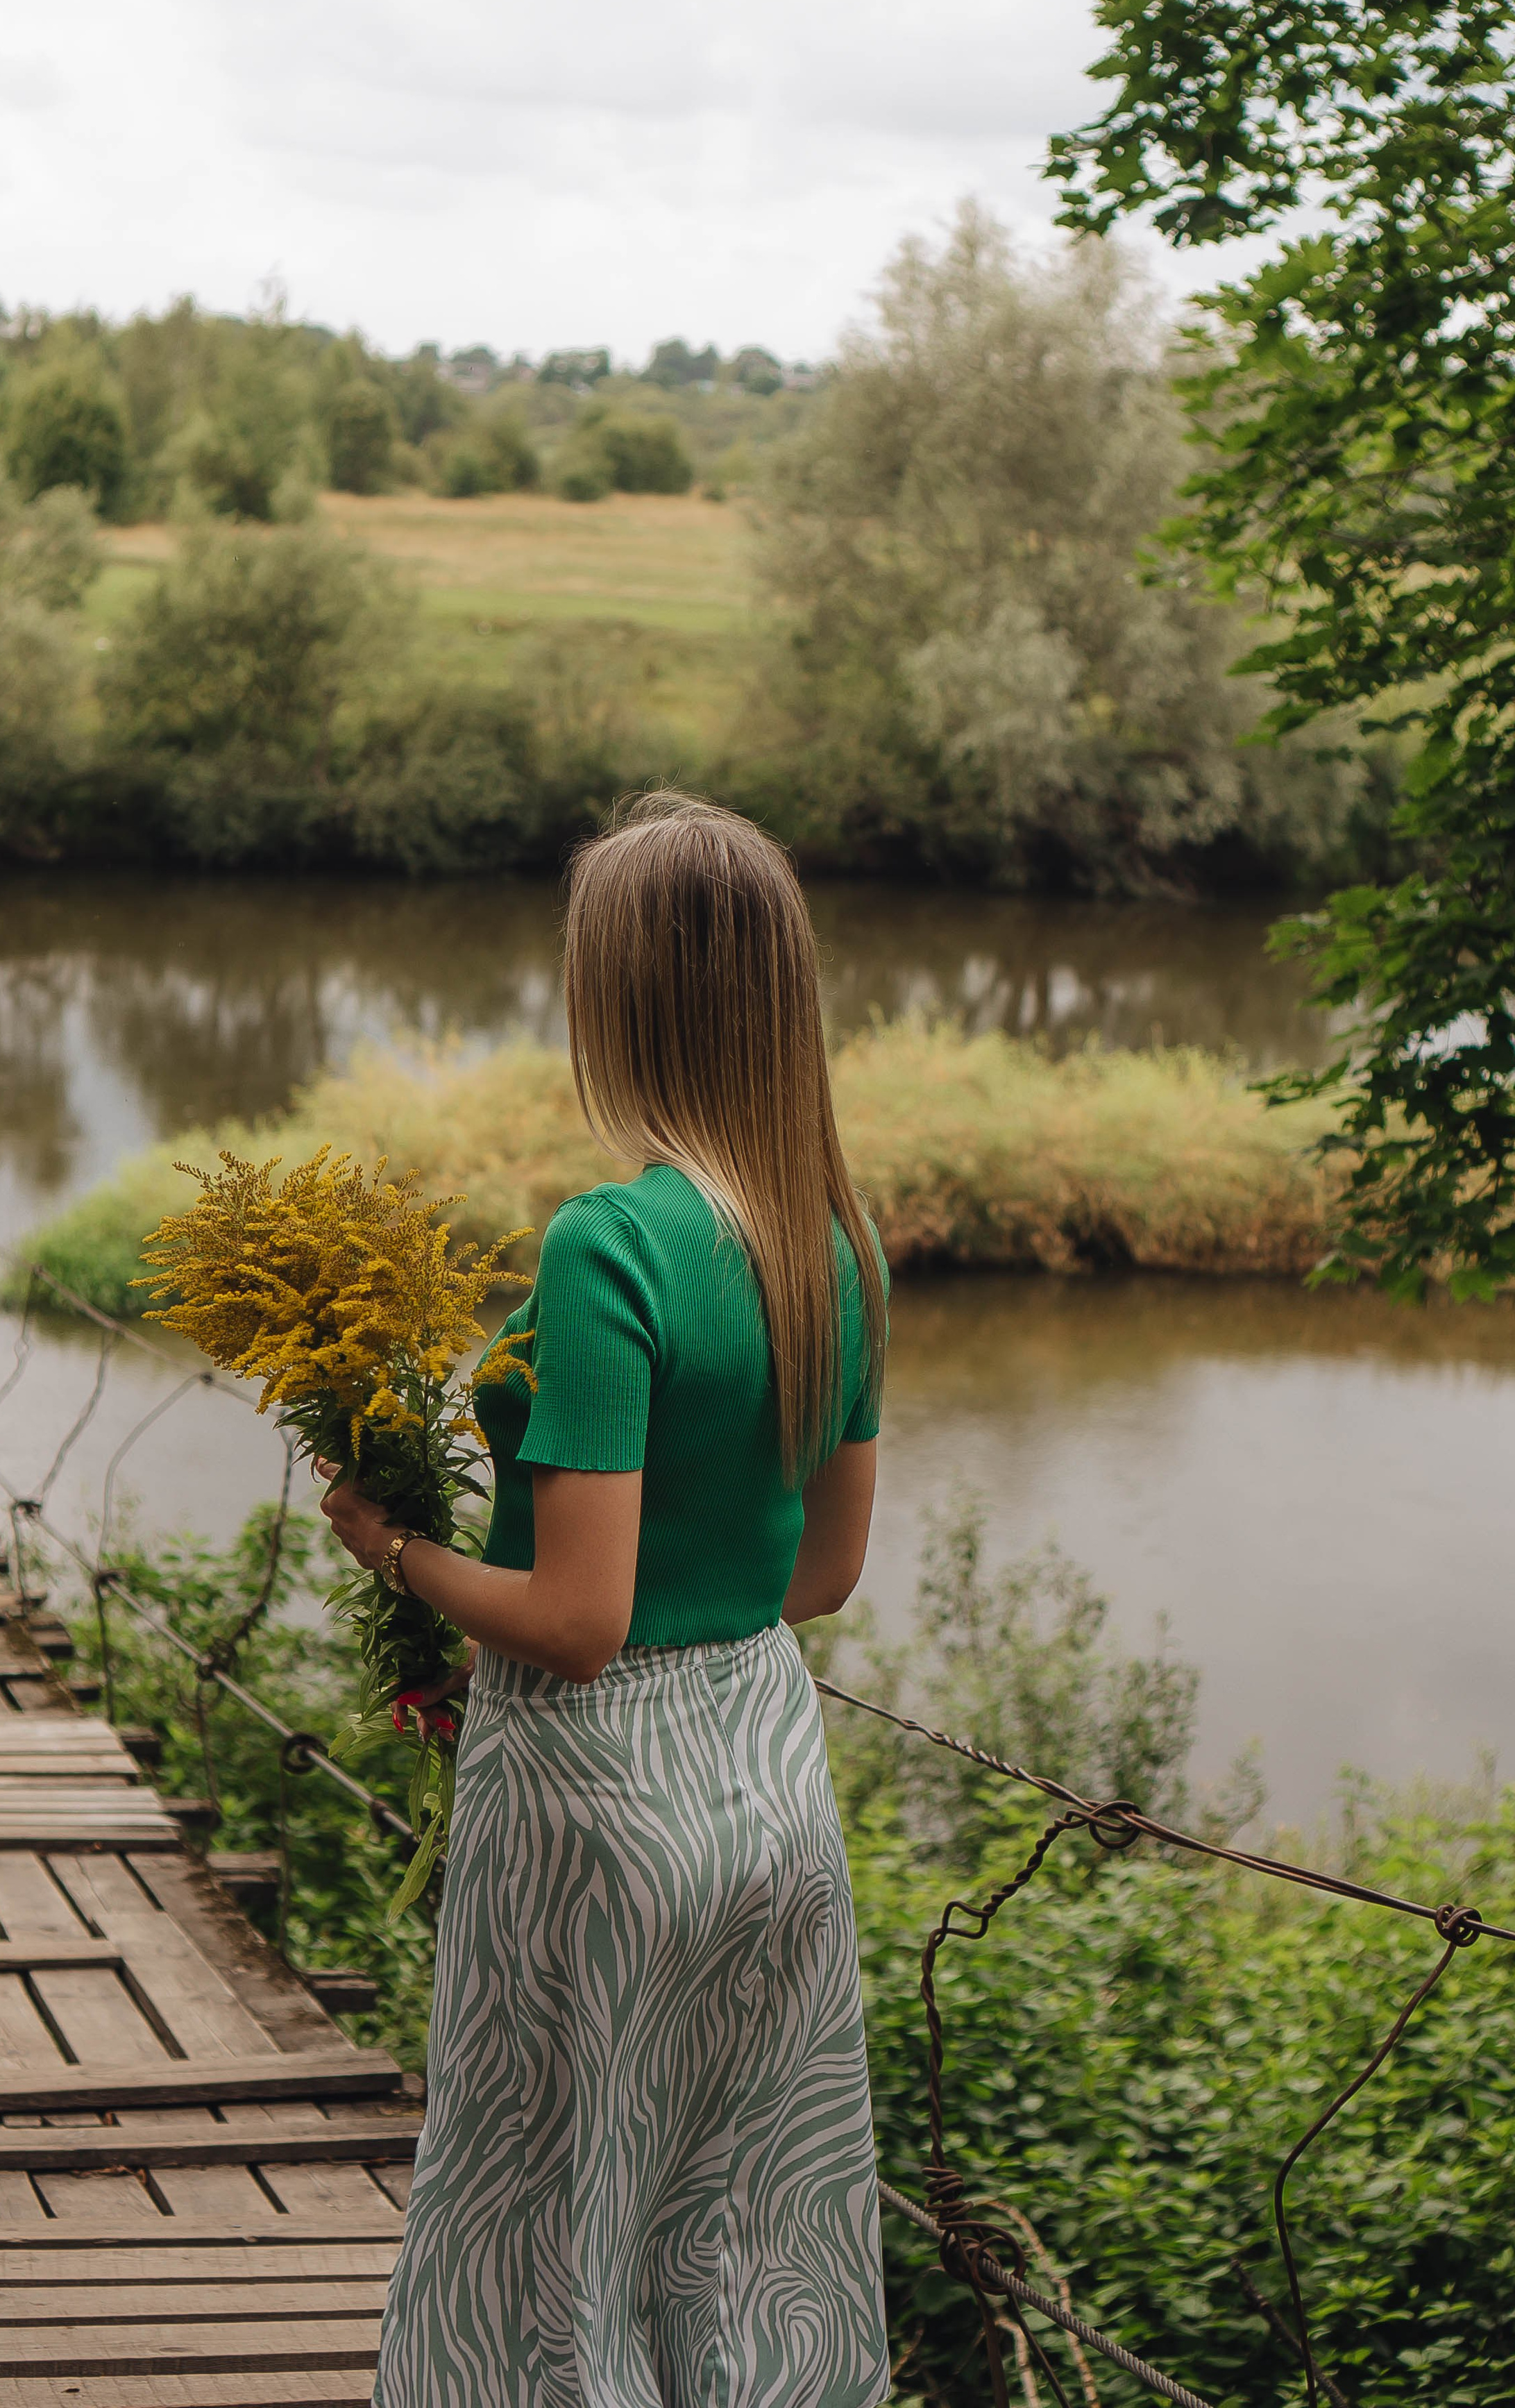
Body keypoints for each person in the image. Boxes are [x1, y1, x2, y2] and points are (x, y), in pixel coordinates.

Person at [322, 793, 892, 2408]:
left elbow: (576, 1622)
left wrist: (393, 1552)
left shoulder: (608, 1245)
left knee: (547, 2240)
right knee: (747, 2222)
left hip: (597, 1800)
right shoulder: (835, 1242)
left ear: (618, 996)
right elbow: (822, 1573)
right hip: (768, 1783)